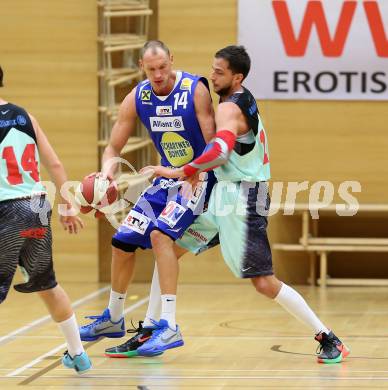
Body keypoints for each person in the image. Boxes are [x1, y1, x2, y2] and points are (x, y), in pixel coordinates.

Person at [137, 45, 350, 364]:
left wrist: (183, 170)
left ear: (237, 77)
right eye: (212, 68)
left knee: (263, 283)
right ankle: (156, 326)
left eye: (219, 72)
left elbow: (220, 151)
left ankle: (327, 336)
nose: (212, 75)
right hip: (224, 197)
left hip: (243, 199)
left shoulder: (229, 109)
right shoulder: (238, 99)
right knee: (163, 241)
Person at [80, 40, 216, 357]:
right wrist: (106, 175)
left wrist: (192, 172)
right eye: (151, 69)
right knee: (122, 242)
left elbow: (213, 146)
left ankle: (168, 324)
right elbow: (113, 148)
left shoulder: (195, 89)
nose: (157, 74)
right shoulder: (137, 97)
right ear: (142, 66)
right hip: (164, 177)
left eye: (162, 67)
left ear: (172, 59)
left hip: (198, 177)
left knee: (159, 235)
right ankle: (114, 317)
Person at [0, 65, 91, 373]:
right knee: (46, 284)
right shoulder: (25, 116)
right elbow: (53, 161)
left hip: (6, 209)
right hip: (36, 206)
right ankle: (78, 354)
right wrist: (67, 202)